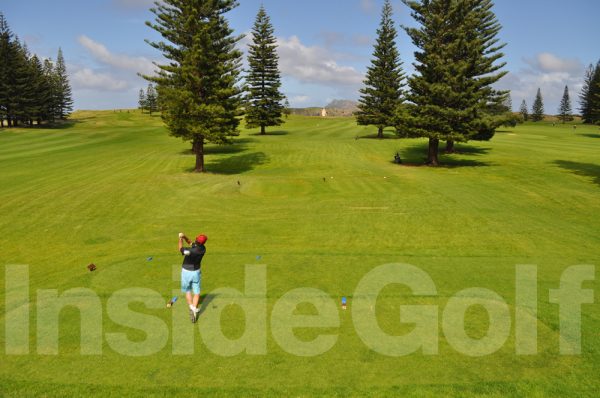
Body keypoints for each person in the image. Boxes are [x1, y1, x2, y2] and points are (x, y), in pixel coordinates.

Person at [178, 233, 207, 323]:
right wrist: (184, 236)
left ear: (197, 240)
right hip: (196, 272)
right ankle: (194, 308)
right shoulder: (203, 249)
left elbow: (180, 249)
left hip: (186, 272)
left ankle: (191, 307)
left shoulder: (191, 251)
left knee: (187, 290)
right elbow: (190, 242)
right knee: (197, 292)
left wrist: (180, 239)